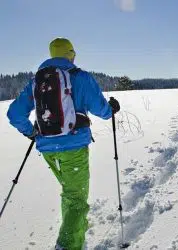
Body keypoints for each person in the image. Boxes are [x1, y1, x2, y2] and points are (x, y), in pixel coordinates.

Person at [7, 37, 120, 250]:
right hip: (74, 147)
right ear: (70, 54)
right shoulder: (80, 77)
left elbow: (14, 114)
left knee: (70, 191)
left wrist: (31, 132)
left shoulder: (36, 81)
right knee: (76, 198)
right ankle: (68, 245)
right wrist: (111, 109)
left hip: (47, 148)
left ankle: (77, 227)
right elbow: (102, 110)